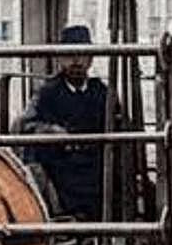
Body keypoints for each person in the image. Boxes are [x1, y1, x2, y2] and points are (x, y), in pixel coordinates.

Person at [18, 24, 107, 222]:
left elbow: (122, 129)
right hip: (61, 174)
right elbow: (24, 126)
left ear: (91, 59)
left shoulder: (102, 93)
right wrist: (50, 131)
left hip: (96, 173)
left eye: (82, 55)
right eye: (69, 55)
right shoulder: (47, 93)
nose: (75, 61)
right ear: (59, 58)